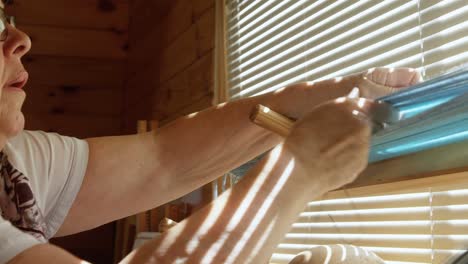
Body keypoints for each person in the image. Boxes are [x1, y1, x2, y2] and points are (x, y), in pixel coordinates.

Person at [0, 2, 422, 263]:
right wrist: (300, 170)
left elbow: (164, 159)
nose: (20, 38)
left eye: (8, 16)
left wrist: (321, 98)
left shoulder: (12, 162)